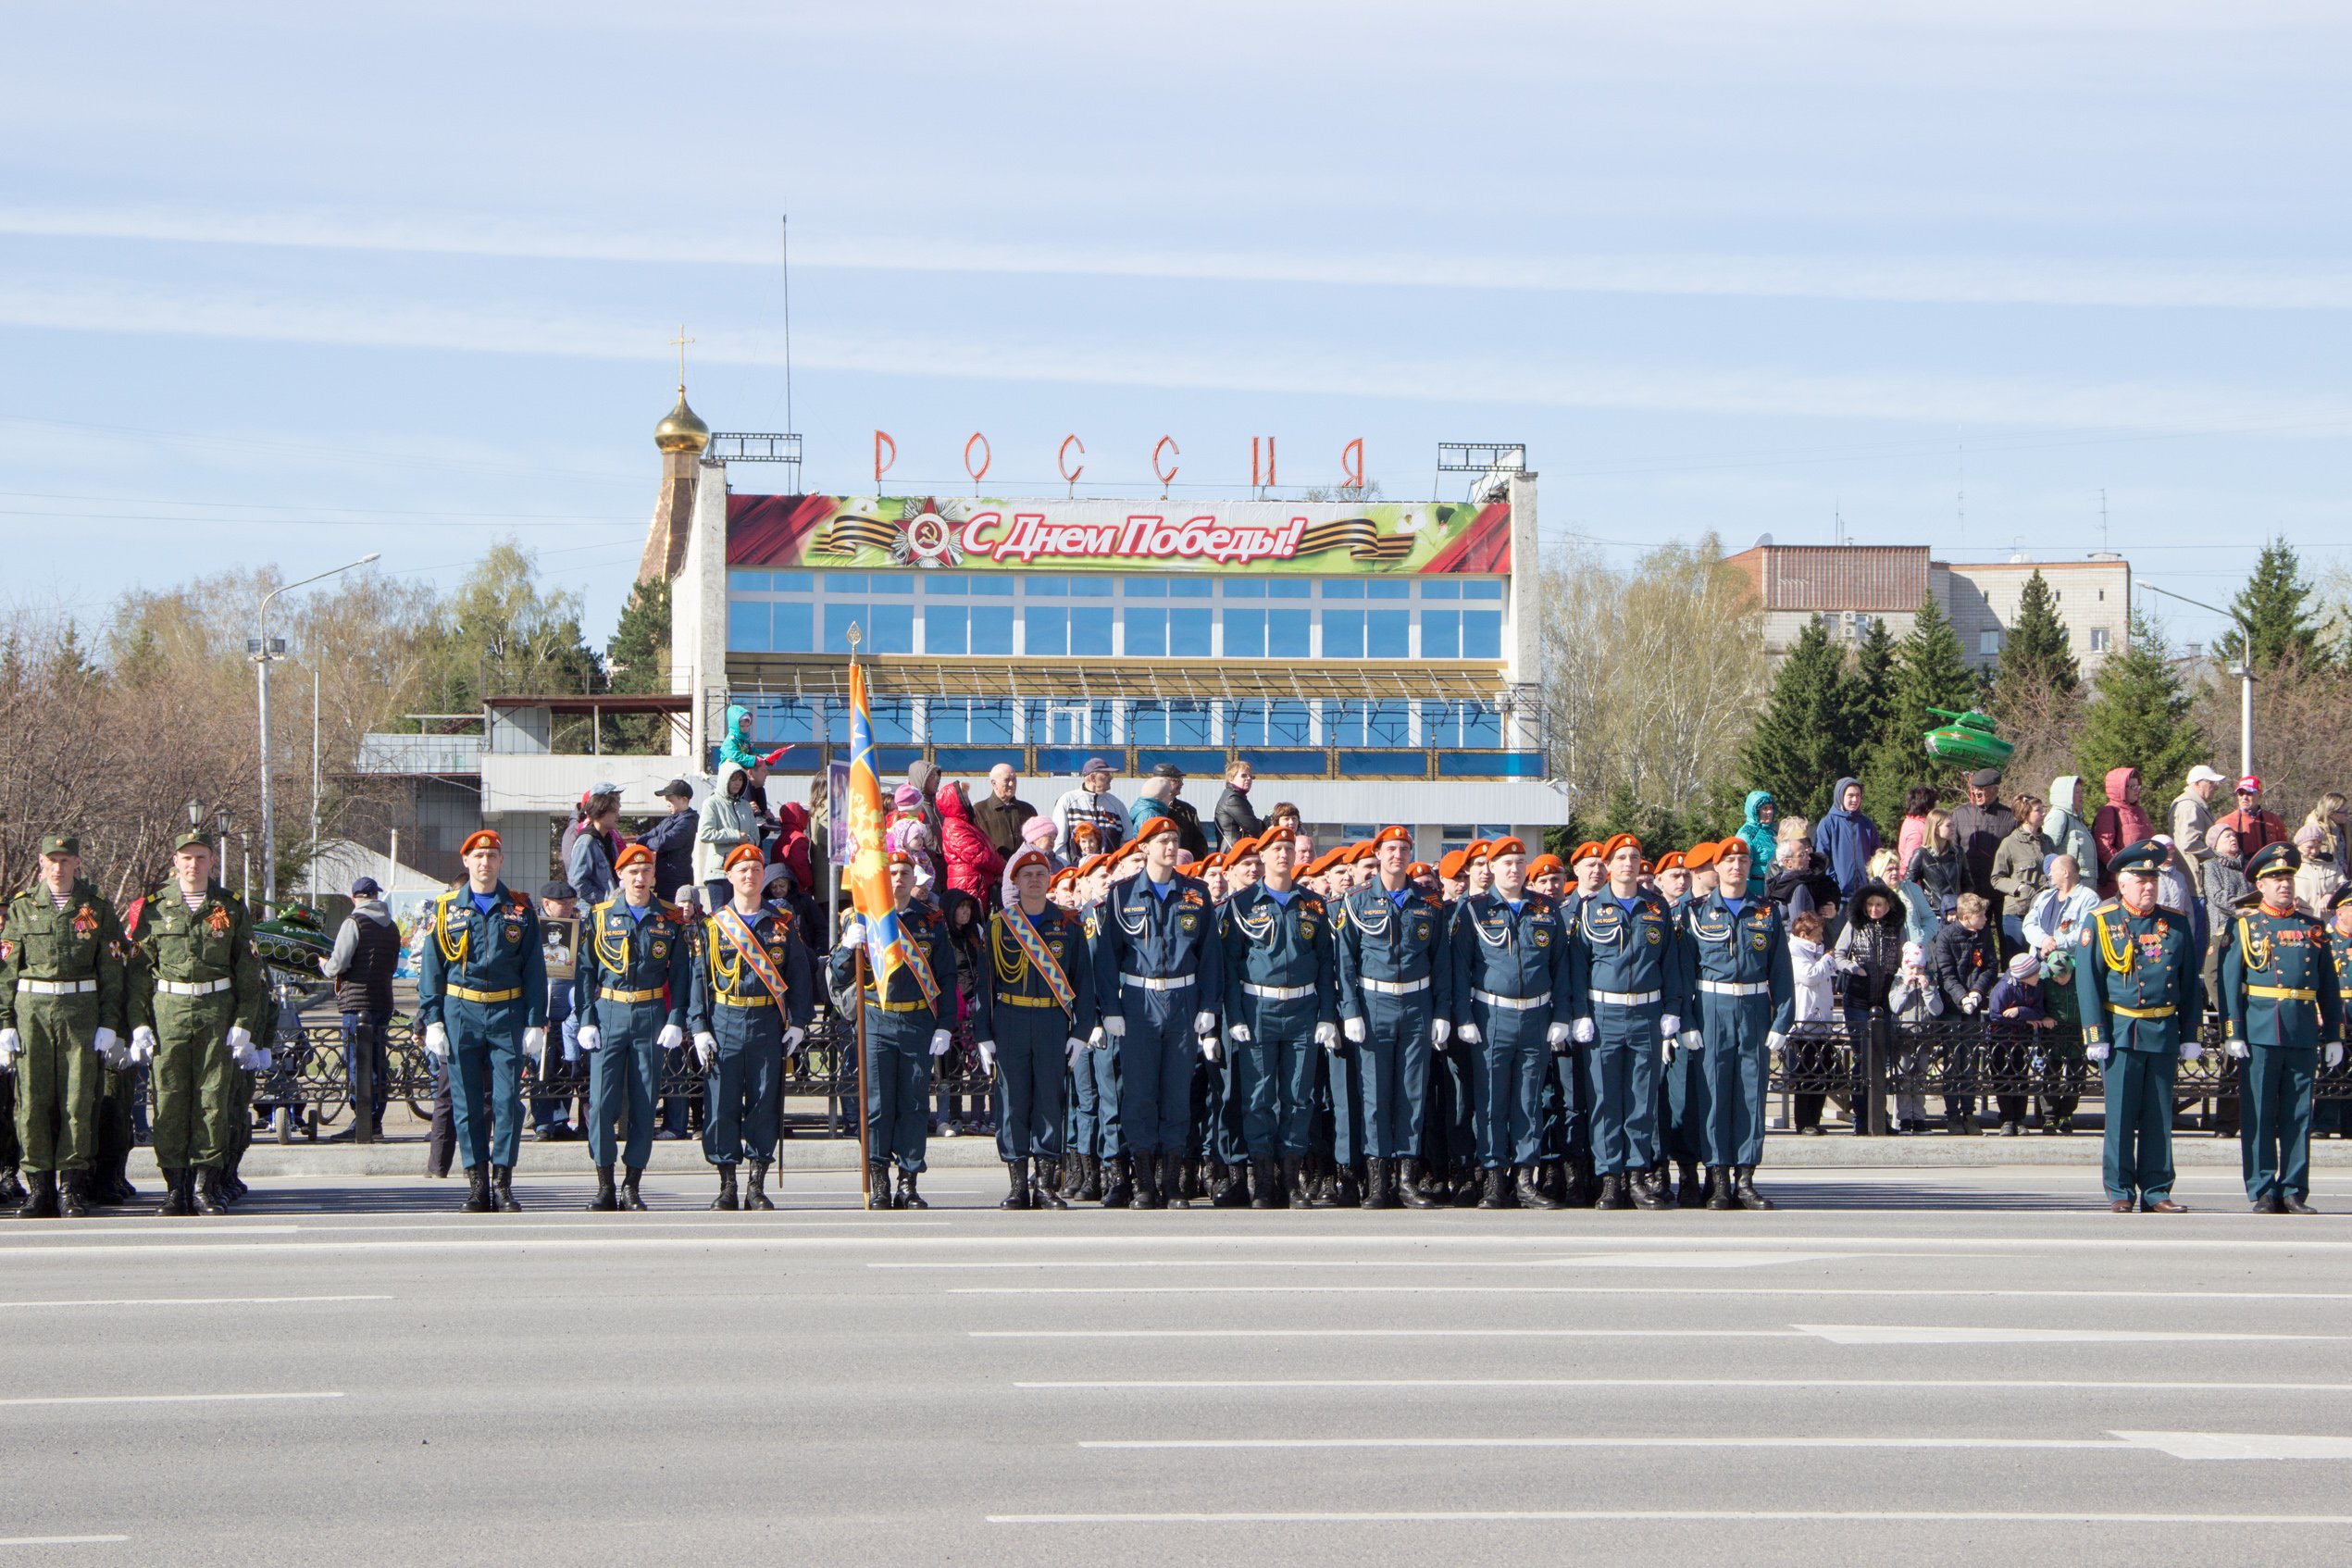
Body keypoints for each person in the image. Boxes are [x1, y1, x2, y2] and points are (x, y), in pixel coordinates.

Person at [122, 832, 266, 1217]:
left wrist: (244, 1025)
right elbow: (137, 974)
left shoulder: (231, 906)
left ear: (212, 860)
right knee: (168, 1099)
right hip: (168, 1010)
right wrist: (138, 1024)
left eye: (200, 858)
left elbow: (249, 974)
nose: (193, 865)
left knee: (212, 1100)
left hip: (216, 1009)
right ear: (175, 860)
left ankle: (204, 1186)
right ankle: (175, 1189)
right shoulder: (154, 908)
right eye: (186, 858)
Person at [1090, 815, 1222, 1209]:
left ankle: (1172, 1183)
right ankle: (1144, 1181)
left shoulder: (1196, 893)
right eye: (1161, 840)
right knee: (1140, 1094)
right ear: (1143, 847)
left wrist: (1209, 1006)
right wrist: (1109, 1009)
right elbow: (1105, 959)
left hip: (1182, 1002)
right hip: (1138, 1002)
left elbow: (1210, 956)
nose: (1169, 846)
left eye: (1174, 839)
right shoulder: (1122, 894)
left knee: (1177, 1093)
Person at [417, 830, 548, 1214]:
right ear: (466, 861)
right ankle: (477, 1185)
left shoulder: (520, 910)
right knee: (467, 1103)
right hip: (462, 1013)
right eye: (478, 856)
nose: (485, 862)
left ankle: (503, 1183)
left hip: (507, 1012)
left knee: (508, 1102)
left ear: (501, 861)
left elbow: (534, 971)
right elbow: (432, 970)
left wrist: (534, 1022)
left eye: (491, 855)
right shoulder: (444, 910)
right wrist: (433, 1020)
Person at [0, 837, 127, 1219]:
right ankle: (39, 1188)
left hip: (81, 1011)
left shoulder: (97, 908)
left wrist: (109, 1024)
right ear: (41, 862)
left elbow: (112, 972)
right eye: (52, 860)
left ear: (77, 862)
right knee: (32, 1101)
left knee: (78, 1101)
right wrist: (4, 1022)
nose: (58, 868)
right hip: (32, 1013)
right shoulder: (22, 908)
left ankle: (71, 1187)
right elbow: (7, 971)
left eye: (66, 860)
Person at [2075, 840, 2204, 1213]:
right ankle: (2119, 1190)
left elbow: (2188, 982)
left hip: (2162, 1029)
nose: (2148, 885)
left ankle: (2157, 1189)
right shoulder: (2102, 921)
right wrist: (2095, 1033)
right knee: (2119, 1114)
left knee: (2159, 1114)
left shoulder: (2175, 922)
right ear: (2122, 881)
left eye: (2153, 878)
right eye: (2140, 878)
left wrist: (2191, 1033)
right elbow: (2089, 980)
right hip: (2121, 1031)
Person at [685, 843, 813, 1212]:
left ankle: (756, 1185)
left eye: (757, 869)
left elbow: (800, 975)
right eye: (742, 870)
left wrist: (800, 1023)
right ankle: (727, 1185)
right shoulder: (713, 926)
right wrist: (699, 1027)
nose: (750, 875)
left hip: (765, 1022)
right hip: (724, 1021)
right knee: (721, 1104)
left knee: (763, 1104)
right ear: (729, 876)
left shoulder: (781, 924)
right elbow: (700, 981)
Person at [1450, 836, 1574, 1209]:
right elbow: (1460, 969)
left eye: (1520, 863)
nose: (1514, 869)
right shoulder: (1473, 910)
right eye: (1506, 863)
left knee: (1528, 1100)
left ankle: (1524, 1177)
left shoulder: (1547, 910)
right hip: (1492, 1016)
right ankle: (1492, 1179)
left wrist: (1562, 1017)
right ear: (1491, 867)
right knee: (1490, 1101)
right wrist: (1463, 1017)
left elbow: (1561, 968)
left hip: (1536, 1015)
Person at [1220, 825, 1340, 1209]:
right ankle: (1263, 1182)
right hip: (1257, 1009)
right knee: (1257, 1098)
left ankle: (1291, 1181)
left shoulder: (1313, 904)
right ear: (1263, 856)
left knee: (1298, 1097)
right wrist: (1235, 1015)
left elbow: (1325, 963)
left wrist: (1326, 1014)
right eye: (1275, 849)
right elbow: (1229, 965)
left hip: (1303, 1011)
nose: (1283, 855)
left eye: (1289, 848)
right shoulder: (1240, 905)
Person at [1334, 824, 1452, 1211]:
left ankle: (1406, 1178)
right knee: (1374, 1095)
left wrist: (1441, 1012)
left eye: (1404, 848)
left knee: (1411, 1092)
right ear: (1379, 853)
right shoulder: (1356, 901)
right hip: (1373, 1004)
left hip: (1417, 1005)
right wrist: (1350, 1009)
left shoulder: (1429, 903)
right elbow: (1345, 962)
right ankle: (1377, 1181)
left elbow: (1442, 963)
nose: (1397, 855)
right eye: (1390, 848)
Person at [2220, 842, 2343, 1214]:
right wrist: (2233, 1031)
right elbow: (2228, 983)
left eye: (2288, 877)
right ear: (2261, 883)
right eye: (2275, 878)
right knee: (2258, 1111)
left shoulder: (2313, 928)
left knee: (2298, 1113)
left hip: (2301, 1029)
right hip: (2259, 1029)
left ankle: (2292, 1188)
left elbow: (2328, 984)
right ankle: (2262, 1188)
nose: (2284, 884)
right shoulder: (2245, 926)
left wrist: (2334, 1033)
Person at [1566, 833, 1687, 1210]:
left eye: (1634, 857)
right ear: (1607, 865)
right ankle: (1609, 1179)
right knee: (1604, 1099)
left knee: (1641, 1099)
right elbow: (1576, 966)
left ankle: (1636, 1175)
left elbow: (1670, 962)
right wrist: (1579, 1014)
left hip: (1646, 1013)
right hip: (1603, 1014)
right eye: (1620, 857)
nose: (1628, 864)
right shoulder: (1589, 909)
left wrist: (1672, 1008)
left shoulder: (1656, 909)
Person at [830, 852, 956, 1210]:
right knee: (877, 1106)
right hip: (876, 1020)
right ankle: (880, 1179)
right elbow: (839, 976)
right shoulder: (862, 918)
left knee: (914, 1104)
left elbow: (947, 976)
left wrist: (945, 1025)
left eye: (904, 873)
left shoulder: (930, 922)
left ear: (913, 878)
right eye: (891, 873)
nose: (897, 879)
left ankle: (909, 1180)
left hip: (916, 1021)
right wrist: (846, 947)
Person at [975, 845, 1095, 1210]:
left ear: (1049, 880)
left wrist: (1080, 1032)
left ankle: (1045, 1184)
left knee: (1048, 1100)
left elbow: (1084, 983)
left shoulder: (1069, 925)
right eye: (1026, 875)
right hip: (1010, 1019)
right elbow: (985, 985)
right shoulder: (999, 926)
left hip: (1051, 1020)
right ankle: (1016, 1186)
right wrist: (983, 1035)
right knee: (1012, 1102)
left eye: (1041, 874)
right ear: (1015, 882)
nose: (1034, 880)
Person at [571, 843, 690, 1212]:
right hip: (609, 1011)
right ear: (620, 876)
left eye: (646, 872)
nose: (640, 879)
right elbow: (585, 971)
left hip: (651, 1012)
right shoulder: (601, 916)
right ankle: (605, 1184)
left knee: (644, 1102)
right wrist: (587, 1018)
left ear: (654, 876)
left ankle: (632, 1185)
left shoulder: (669, 918)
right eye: (632, 873)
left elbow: (683, 974)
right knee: (603, 1101)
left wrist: (676, 1018)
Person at [1683, 838, 1793, 1211]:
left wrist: (1782, 1019)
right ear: (1716, 867)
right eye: (1728, 860)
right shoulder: (1695, 912)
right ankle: (1718, 1181)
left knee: (1751, 1094)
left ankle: (1745, 1178)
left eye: (1742, 860)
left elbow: (1781, 971)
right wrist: (1685, 1020)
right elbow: (1683, 971)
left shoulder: (1765, 912)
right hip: (1711, 1007)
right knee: (1713, 1094)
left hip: (1754, 1007)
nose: (1736, 866)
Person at [320, 875, 399, 1141]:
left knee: (358, 1063)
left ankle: (362, 1121)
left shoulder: (354, 922)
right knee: (378, 1060)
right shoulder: (392, 926)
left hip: (356, 1003)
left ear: (354, 898)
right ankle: (376, 1121)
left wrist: (324, 965)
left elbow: (339, 964)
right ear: (376, 895)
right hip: (383, 1000)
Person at [1827, 880, 1906, 1135]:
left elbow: (1906, 956)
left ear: (1887, 905)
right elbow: (1838, 956)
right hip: (1858, 999)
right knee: (1864, 1058)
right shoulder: (1854, 925)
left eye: (1879, 904)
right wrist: (1854, 969)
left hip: (1886, 1000)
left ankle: (1879, 1118)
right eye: (1870, 904)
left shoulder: (1896, 927)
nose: (1874, 909)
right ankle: (1863, 1116)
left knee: (1881, 1059)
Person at [1930, 892, 1999, 1134]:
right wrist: (1961, 996)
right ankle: (1952, 1114)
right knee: (1952, 1061)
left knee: (1970, 1060)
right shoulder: (1946, 937)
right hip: (1952, 1006)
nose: (1985, 920)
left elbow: (1991, 965)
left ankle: (1969, 1113)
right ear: (1967, 917)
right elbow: (1946, 974)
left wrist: (1977, 991)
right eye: (1981, 916)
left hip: (1973, 1004)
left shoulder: (1983, 934)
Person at [531, 880, 581, 1143]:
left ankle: (561, 1119)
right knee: (542, 1067)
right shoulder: (534, 928)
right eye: (563, 904)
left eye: (571, 903)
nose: (568, 908)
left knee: (566, 1065)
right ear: (547, 904)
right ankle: (543, 1122)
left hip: (568, 1006)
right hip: (542, 1006)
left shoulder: (578, 928)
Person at [1985, 952, 2056, 1135]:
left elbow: (2038, 1012)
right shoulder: (2004, 988)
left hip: (2022, 1039)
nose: (2039, 976)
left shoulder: (2036, 986)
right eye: (2035, 973)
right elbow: (1995, 1015)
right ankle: (2007, 1119)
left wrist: (2020, 1011)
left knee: (2021, 1078)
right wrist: (2024, 1020)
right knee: (2002, 1078)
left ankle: (2019, 1119)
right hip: (2001, 1040)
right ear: (2024, 975)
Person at [1948, 768, 2019, 938]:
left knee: (2008, 942)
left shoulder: (2010, 817)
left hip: (2003, 895)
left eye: (1983, 788)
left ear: (1995, 789)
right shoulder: (1959, 815)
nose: (1977, 792)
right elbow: (1952, 855)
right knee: (1975, 943)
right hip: (1973, 895)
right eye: (1975, 788)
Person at [696, 762, 763, 911]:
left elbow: (755, 837)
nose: (737, 783)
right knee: (721, 918)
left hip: (742, 871)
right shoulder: (711, 803)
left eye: (740, 780)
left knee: (742, 915)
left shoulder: (745, 805)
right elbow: (705, 833)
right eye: (734, 779)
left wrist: (748, 840)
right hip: (719, 873)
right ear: (724, 780)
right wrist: (736, 836)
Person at [1990, 795, 2053, 952]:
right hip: (2018, 913)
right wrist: (2019, 887)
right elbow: (1996, 878)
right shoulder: (2010, 843)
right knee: (2020, 962)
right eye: (2038, 810)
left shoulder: (2047, 842)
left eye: (2043, 809)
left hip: (2044, 911)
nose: (2044, 813)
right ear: (2025, 816)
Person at [1811, 777, 1881, 904]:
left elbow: (1877, 855)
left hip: (1865, 894)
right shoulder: (1828, 823)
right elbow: (1822, 859)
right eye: (1850, 795)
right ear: (1840, 796)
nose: (1855, 800)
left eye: (1858, 795)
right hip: (1839, 896)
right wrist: (1834, 884)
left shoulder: (1866, 824)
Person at [937, 781, 1006, 908]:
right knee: (970, 922)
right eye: (965, 796)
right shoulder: (955, 826)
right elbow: (979, 856)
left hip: (975, 883)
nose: (969, 800)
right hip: (968, 885)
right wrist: (1004, 866)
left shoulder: (965, 823)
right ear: (956, 801)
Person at [2090, 766, 2154, 896]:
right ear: (2120, 788)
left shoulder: (2139, 811)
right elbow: (2104, 847)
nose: (2137, 790)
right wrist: (2124, 868)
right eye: (2132, 787)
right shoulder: (2109, 812)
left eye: (2138, 786)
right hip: (2118, 883)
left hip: (2142, 875)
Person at [638, 778, 701, 907]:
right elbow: (646, 837)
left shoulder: (688, 822)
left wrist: (648, 842)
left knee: (676, 917)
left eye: (671, 800)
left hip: (677, 881)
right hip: (665, 879)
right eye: (667, 800)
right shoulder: (669, 820)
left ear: (684, 799)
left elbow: (663, 842)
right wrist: (645, 842)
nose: (667, 803)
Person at [1053, 758, 1129, 860]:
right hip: (1076, 872)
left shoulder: (1117, 805)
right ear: (1093, 777)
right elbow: (1059, 842)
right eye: (1106, 775)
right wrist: (1066, 869)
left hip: (1109, 873)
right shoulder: (1067, 801)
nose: (1111, 778)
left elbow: (1127, 842)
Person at [2172, 765, 2229, 893]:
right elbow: (2190, 844)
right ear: (2197, 784)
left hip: (2194, 879)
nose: (2216, 786)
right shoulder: (2189, 806)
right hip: (2194, 882)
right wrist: (2218, 856)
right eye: (2211, 782)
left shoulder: (2193, 804)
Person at [566, 784, 622, 910]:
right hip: (593, 912)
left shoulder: (608, 839)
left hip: (608, 908)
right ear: (600, 812)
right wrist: (604, 898)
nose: (618, 816)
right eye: (614, 812)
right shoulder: (586, 842)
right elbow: (576, 882)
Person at [1906, 807, 1966, 922]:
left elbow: (1967, 882)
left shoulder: (1958, 853)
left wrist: (1963, 905)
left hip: (1956, 912)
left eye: (1953, 825)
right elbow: (1908, 885)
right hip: (1934, 914)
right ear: (1935, 829)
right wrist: (1923, 904)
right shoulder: (1922, 854)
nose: (1953, 829)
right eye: (1948, 826)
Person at [2045, 776, 2100, 892]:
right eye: (2076, 792)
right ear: (2065, 794)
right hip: (2071, 886)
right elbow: (2047, 850)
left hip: (2085, 886)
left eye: (2081, 791)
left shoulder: (2077, 819)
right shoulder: (2058, 816)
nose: (2081, 795)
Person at [972, 764, 1039, 861]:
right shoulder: (979, 811)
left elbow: (1039, 842)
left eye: (1014, 779)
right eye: (1007, 780)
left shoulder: (1028, 810)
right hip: (994, 872)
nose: (1012, 784)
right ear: (994, 783)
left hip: (1025, 871)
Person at [2217, 775, 2289, 863]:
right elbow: (2217, 853)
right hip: (2239, 871)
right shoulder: (2224, 823)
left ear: (2260, 795)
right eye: (2241, 793)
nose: (2244, 798)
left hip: (2268, 870)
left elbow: (2284, 849)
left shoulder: (2274, 820)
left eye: (2249, 793)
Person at [719, 702, 790, 774]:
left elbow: (754, 751)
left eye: (747, 726)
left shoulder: (745, 741)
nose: (745, 728)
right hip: (727, 774)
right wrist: (754, 760)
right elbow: (736, 757)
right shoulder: (730, 741)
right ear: (735, 725)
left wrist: (768, 757)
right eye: (742, 726)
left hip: (740, 773)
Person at [2296, 824, 2344, 917]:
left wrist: (2331, 895)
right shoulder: (2292, 864)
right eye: (2309, 847)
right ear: (2299, 846)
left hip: (2328, 919)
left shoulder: (2331, 863)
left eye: (2317, 847)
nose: (2314, 851)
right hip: (2302, 920)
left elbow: (2344, 886)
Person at [1736, 791, 1778, 897]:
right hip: (1757, 891)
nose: (1769, 812)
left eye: (1771, 808)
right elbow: (1742, 867)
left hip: (1773, 888)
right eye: (1765, 808)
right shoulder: (1747, 835)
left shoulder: (1771, 832)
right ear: (1755, 811)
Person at [1215, 760, 1263, 852]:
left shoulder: (1235, 796)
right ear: (1231, 778)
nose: (1249, 778)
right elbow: (1254, 828)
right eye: (1244, 775)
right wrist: (1266, 823)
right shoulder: (1232, 798)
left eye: (1251, 776)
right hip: (1232, 852)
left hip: (1234, 849)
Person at [1895, 785, 1940, 878]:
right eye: (1935, 804)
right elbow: (1910, 864)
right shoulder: (1918, 830)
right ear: (1927, 806)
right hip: (1918, 886)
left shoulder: (1910, 821)